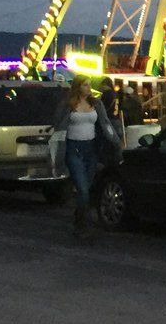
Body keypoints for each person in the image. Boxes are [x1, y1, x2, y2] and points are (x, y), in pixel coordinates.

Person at [52, 78, 122, 237]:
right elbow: (58, 124)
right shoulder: (68, 104)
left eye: (89, 84)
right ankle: (83, 225)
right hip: (73, 148)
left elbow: (106, 124)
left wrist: (116, 142)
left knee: (88, 187)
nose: (89, 87)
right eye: (85, 84)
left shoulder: (97, 104)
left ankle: (79, 215)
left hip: (91, 149)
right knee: (83, 189)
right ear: (78, 87)